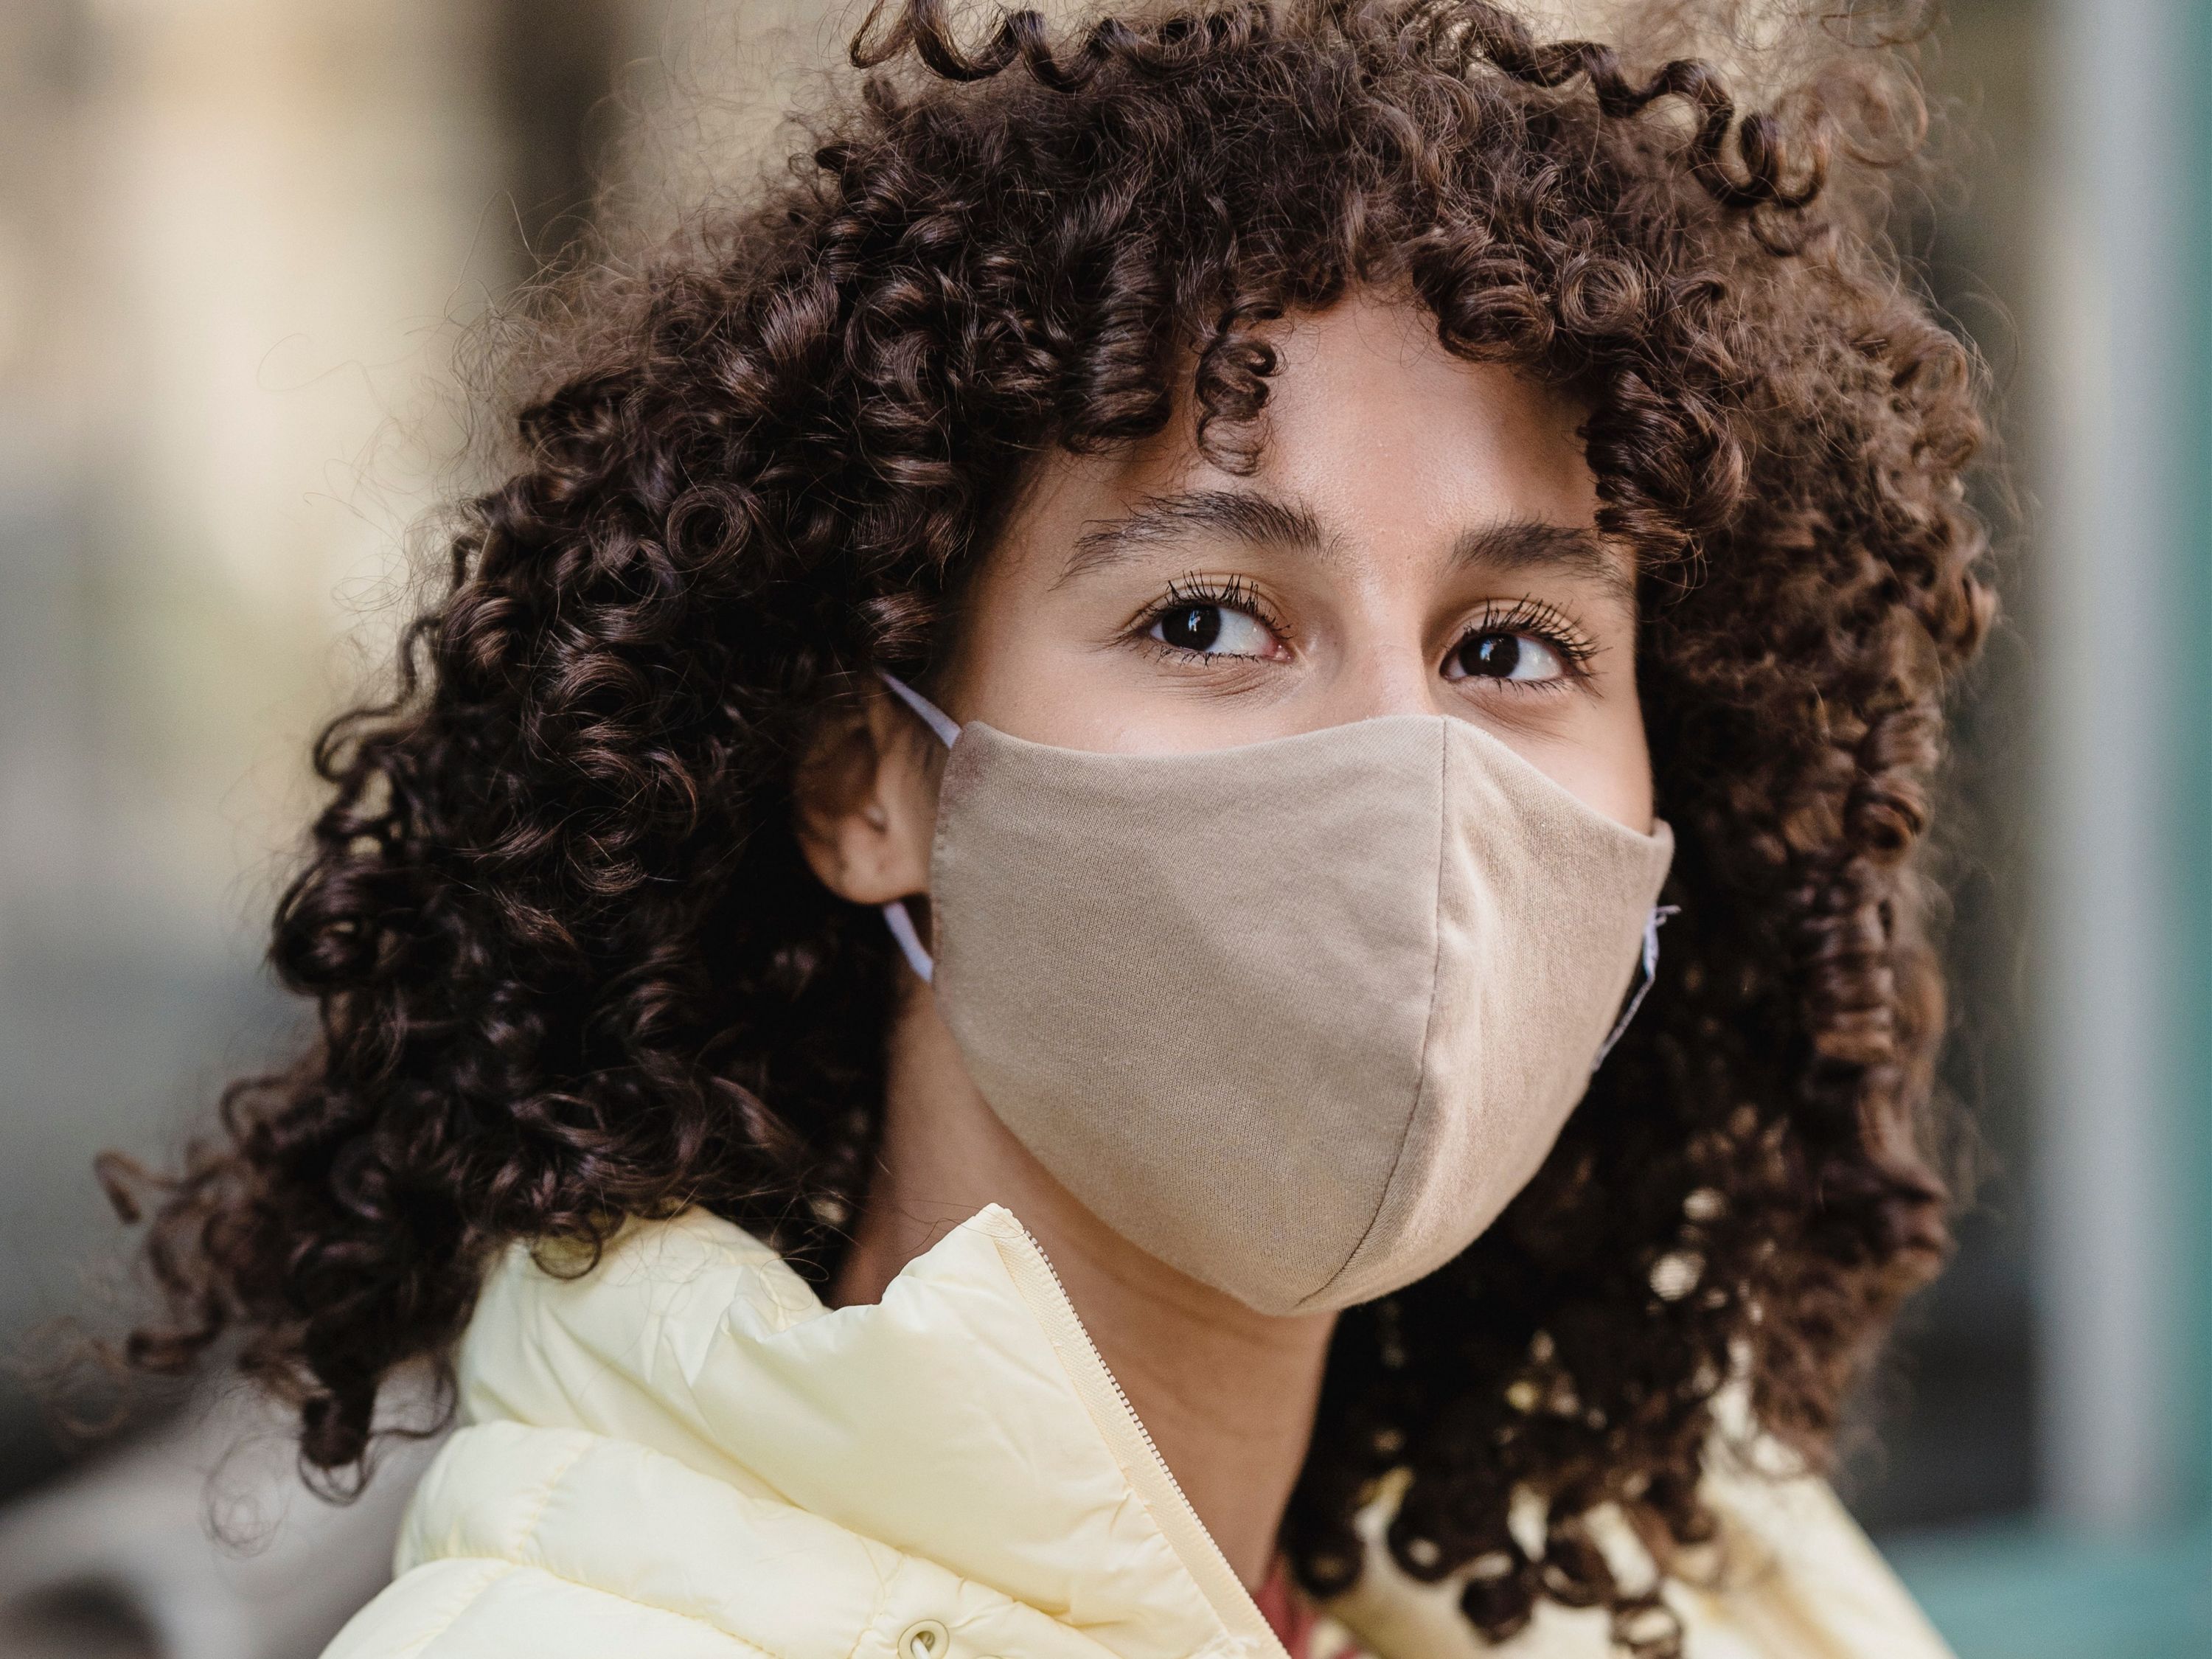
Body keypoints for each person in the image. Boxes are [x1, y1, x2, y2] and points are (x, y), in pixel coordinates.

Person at [102, 1, 1992, 1655]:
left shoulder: (1704, 1602)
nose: (1408, 776)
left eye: (1512, 645)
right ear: (872, 782)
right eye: (1208, 619)